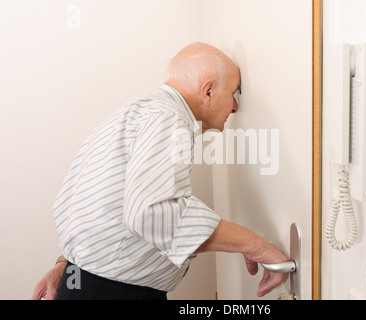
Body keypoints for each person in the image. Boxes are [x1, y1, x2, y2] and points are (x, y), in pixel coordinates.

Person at [31, 42, 288, 300]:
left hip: (84, 284)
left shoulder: (136, 111)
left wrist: (67, 266)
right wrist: (256, 246)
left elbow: (86, 203)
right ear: (208, 91)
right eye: (234, 92)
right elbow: (152, 212)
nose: (235, 106)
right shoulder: (168, 117)